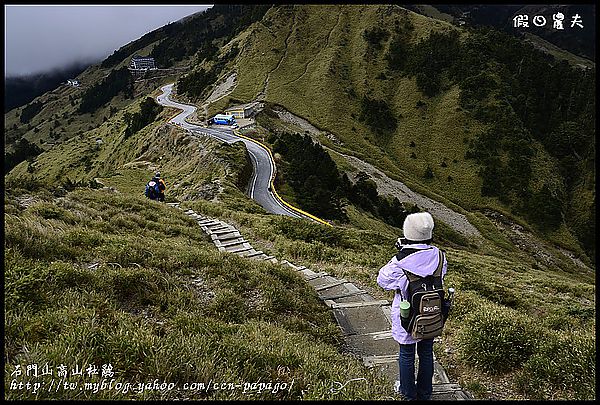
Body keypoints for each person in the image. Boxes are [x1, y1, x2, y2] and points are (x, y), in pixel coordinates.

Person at [377, 212, 447, 400]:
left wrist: (401, 252)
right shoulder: (440, 256)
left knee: (407, 354)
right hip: (431, 313)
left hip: (406, 315)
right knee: (426, 352)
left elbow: (382, 280)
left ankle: (407, 393)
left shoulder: (400, 261)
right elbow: (440, 276)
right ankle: (425, 393)